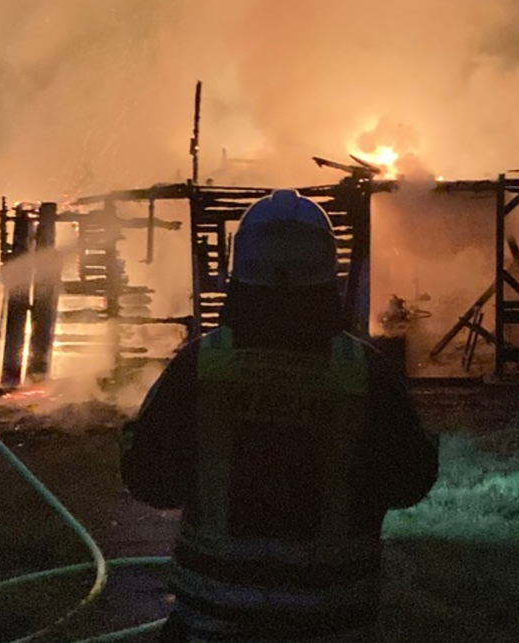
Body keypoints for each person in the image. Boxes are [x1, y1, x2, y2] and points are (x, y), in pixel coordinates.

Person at [120, 189, 439, 643]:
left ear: (239, 272)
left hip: (214, 622)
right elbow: (412, 479)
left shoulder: (200, 367)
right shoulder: (367, 374)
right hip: (335, 622)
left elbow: (148, 478)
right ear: (329, 272)